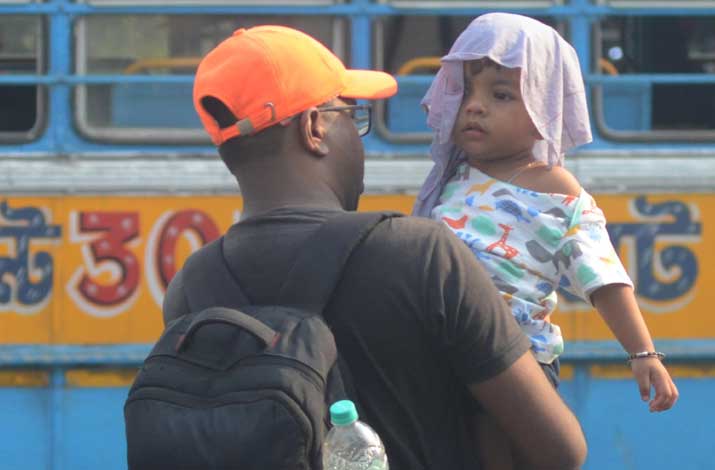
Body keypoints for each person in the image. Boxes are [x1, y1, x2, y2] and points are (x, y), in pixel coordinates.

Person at [162, 25, 587, 470]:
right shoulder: (421, 254)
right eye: (351, 116)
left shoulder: (192, 286)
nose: (357, 137)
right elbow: (561, 451)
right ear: (314, 128)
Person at [414, 12, 679, 410]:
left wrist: (643, 354)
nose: (474, 107)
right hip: (440, 358)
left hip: (514, 364)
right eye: (465, 92)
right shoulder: (450, 176)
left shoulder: (555, 188)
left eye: (500, 95)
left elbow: (604, 278)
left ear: (544, 110)